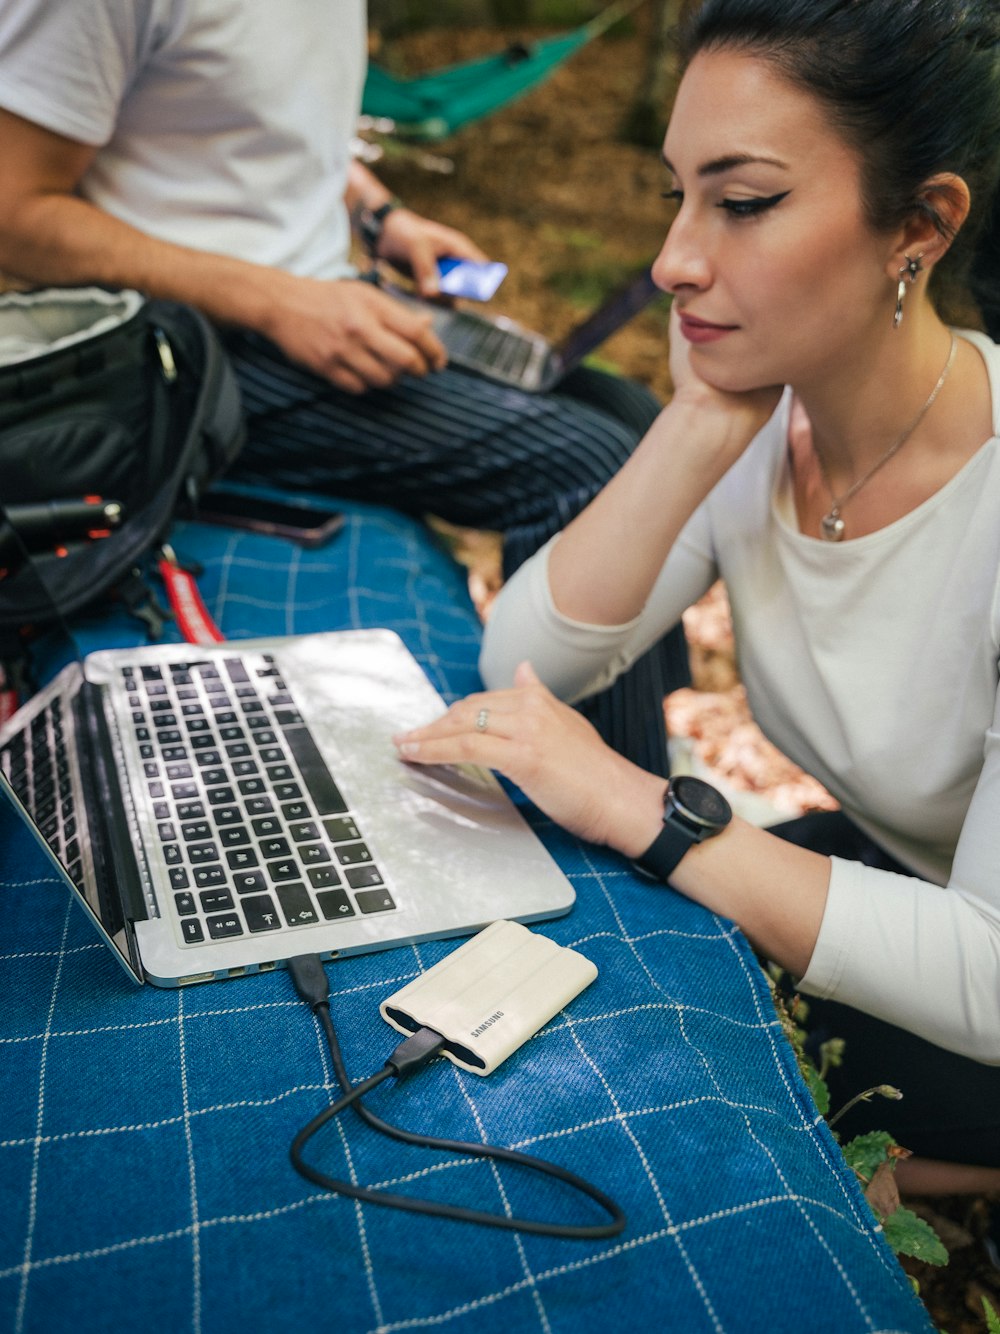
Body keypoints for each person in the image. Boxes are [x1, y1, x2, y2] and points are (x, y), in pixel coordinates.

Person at [393, 0, 1000, 1195]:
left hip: (975, 971)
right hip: (907, 881)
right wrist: (693, 422)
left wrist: (644, 802)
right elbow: (524, 662)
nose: (673, 259)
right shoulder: (771, 421)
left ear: (918, 227)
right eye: (676, 194)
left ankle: (935, 1172)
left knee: (669, 1074)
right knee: (631, 990)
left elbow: (989, 979)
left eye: (744, 200)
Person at [0, 0, 689, 767]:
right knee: (587, 466)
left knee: (632, 412)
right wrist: (277, 299)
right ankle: (613, 806)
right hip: (183, 358)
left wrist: (382, 215)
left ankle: (647, 736)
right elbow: (12, 209)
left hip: (325, 294)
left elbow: (261, 125)